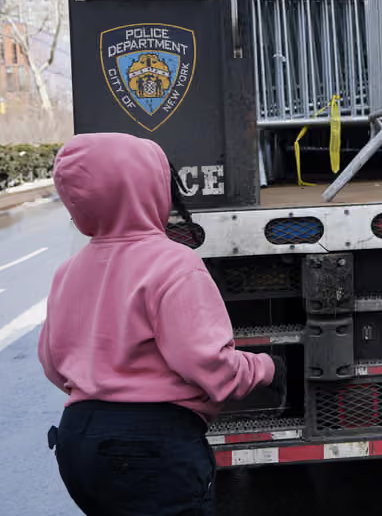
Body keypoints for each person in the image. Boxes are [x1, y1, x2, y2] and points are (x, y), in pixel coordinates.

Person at [39, 133, 284, 515]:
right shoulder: (172, 263)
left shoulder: (68, 272)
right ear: (147, 187)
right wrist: (267, 369)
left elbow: (54, 365)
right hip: (149, 446)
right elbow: (207, 365)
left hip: (77, 443)